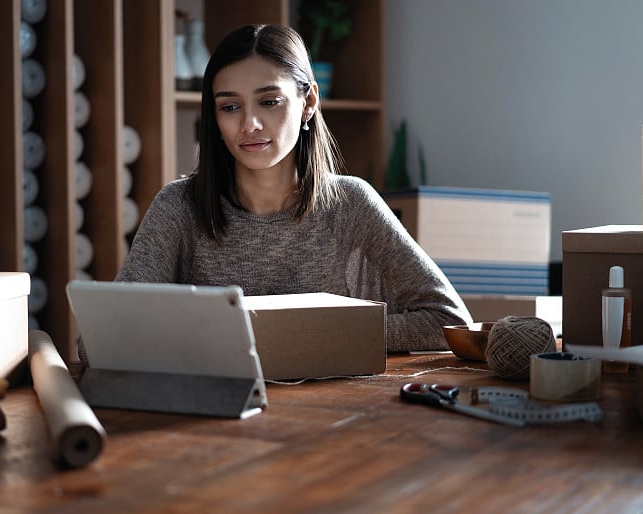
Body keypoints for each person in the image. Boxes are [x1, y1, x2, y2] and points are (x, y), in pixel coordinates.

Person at [116, 24, 473, 352]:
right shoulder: (179, 206)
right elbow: (103, 338)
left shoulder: (350, 202)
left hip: (331, 412)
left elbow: (450, 321)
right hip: (218, 412)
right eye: (230, 106)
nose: (249, 124)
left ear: (309, 103)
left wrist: (310, 334)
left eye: (269, 102)